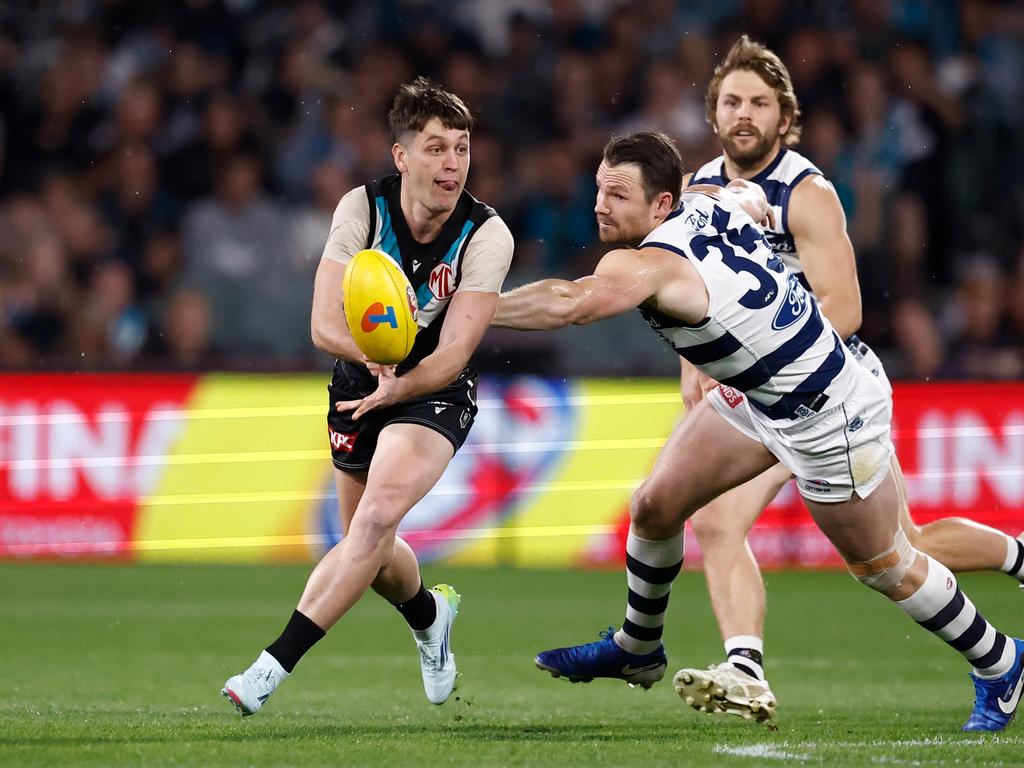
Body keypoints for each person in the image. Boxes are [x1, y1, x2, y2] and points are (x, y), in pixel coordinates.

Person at [492, 129, 1023, 733]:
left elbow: (568, 302)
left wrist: (470, 304)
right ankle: (639, 648)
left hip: (826, 417)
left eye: (616, 194)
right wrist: (746, 202)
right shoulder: (710, 197)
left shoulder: (646, 262)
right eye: (597, 190)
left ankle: (1000, 661)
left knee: (886, 565)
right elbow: (745, 195)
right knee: (655, 506)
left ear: (661, 205)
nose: (599, 206)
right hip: (767, 394)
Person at [670, 35, 1024, 723]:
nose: (745, 113)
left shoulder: (806, 191)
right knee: (722, 523)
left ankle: (1005, 633)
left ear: (784, 116)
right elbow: (687, 287)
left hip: (821, 395)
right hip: (760, 397)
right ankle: (745, 668)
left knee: (891, 557)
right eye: (732, 101)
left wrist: (754, 361)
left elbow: (847, 309)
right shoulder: (697, 192)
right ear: (713, 113)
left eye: (760, 103)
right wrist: (694, 361)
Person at [221, 77, 514, 714]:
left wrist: (400, 384)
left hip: (432, 391)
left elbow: (454, 353)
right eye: (435, 148)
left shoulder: (487, 235)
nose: (452, 163)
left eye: (462, 148)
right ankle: (430, 615)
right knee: (368, 548)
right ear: (401, 156)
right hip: (360, 382)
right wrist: (373, 362)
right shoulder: (361, 208)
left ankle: (270, 668)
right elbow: (324, 324)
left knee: (376, 521)